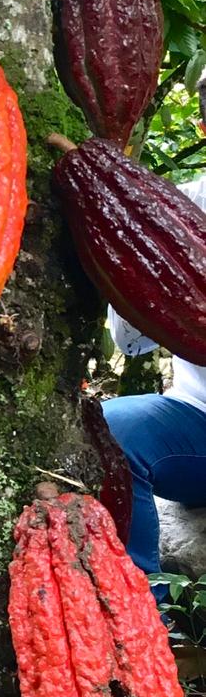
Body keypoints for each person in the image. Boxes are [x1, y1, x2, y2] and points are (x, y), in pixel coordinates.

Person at [102, 173, 206, 588]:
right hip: (196, 423)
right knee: (113, 427)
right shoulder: (181, 204)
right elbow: (130, 343)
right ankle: (149, 621)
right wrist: (140, 251)